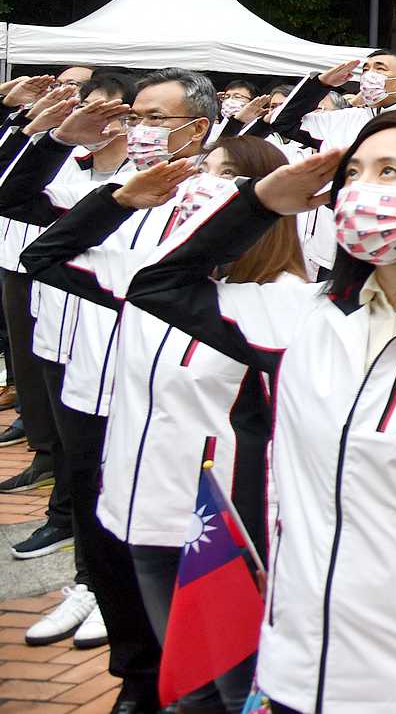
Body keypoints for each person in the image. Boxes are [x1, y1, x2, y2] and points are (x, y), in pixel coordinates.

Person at [123, 110, 396, 714]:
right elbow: (157, 287)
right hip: (300, 659)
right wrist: (262, 203)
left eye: (389, 172)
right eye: (353, 173)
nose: (363, 190)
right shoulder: (307, 316)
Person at [23, 135, 308, 714]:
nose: (202, 185)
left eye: (226, 176)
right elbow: (43, 257)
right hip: (137, 510)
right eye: (201, 171)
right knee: (182, 683)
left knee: (236, 690)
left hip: (222, 528)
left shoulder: (284, 302)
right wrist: (120, 201)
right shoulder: (144, 279)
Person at [0, 68, 218, 713]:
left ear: (198, 128)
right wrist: (56, 138)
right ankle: (137, 674)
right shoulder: (104, 191)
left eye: (159, 118)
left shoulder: (212, 198)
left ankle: (191, 668)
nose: (143, 130)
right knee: (102, 528)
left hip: (170, 398)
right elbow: (16, 205)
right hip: (92, 381)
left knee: (169, 537)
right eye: (137, 117)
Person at [259, 51, 396, 152]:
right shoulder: (344, 118)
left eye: (380, 69)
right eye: (365, 70)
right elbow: (283, 122)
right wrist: (321, 84)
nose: (369, 75)